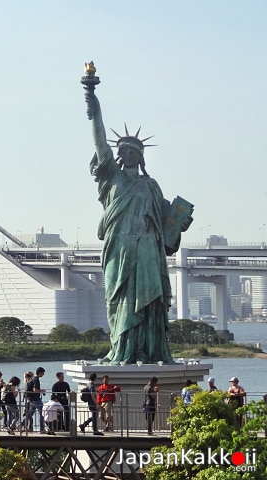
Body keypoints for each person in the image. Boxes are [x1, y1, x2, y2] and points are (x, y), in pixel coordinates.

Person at [83, 71, 193, 365]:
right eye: (123, 150)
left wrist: (178, 224)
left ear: (141, 156)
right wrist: (93, 101)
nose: (126, 154)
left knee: (150, 301)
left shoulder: (151, 185)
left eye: (132, 151)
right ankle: (120, 348)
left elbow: (166, 230)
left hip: (146, 249)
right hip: (118, 248)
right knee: (116, 300)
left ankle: (147, 349)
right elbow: (99, 140)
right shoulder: (111, 178)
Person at [22, 366, 47, 433]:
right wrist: (41, 391)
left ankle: (19, 424)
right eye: (43, 373)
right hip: (36, 399)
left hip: (31, 399)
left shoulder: (32, 378)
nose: (43, 374)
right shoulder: (36, 379)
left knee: (30, 414)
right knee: (43, 412)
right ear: (40, 373)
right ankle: (42, 429)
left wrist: (41, 390)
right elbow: (35, 390)